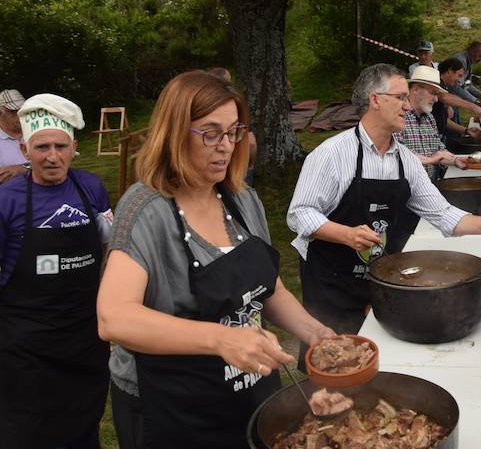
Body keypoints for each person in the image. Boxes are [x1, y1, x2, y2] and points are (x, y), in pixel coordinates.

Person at [96, 72, 332, 448]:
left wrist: (316, 333)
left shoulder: (243, 199)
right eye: (210, 133)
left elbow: (270, 290)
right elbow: (113, 318)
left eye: (233, 132)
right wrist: (223, 339)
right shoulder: (145, 210)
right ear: (174, 133)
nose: (225, 146)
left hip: (249, 394)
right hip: (171, 409)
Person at [287, 64, 481, 339]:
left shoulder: (405, 161)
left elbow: (444, 214)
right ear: (375, 99)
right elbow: (300, 213)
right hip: (330, 284)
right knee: (336, 365)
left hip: (380, 280)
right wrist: (346, 234)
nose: (406, 106)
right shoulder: (331, 154)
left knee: (380, 362)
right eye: (400, 97)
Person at [0, 93, 113, 449]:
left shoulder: (91, 188)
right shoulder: (7, 199)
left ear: (74, 147)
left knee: (83, 425)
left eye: (61, 146)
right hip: (26, 344)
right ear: (24, 151)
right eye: (42, 147)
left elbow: (109, 247)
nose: (52, 157)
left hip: (83, 338)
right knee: (28, 432)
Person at [396, 66, 469, 180]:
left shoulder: (429, 117)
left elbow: (438, 149)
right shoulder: (397, 115)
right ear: (415, 89)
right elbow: (398, 154)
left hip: (426, 185)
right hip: (403, 189)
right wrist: (431, 160)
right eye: (433, 93)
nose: (436, 99)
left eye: (437, 94)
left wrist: (456, 160)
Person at [449, 41, 481, 106]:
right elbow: (455, 86)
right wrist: (476, 101)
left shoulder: (468, 62)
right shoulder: (460, 61)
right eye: (480, 56)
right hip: (445, 98)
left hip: (453, 98)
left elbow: (467, 84)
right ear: (472, 51)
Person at [0, 89, 27, 184]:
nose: (20, 115)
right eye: (14, 112)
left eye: (22, 110)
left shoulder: (35, 133)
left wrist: (22, 169)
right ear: (0, 113)